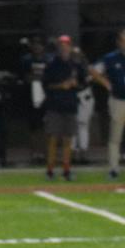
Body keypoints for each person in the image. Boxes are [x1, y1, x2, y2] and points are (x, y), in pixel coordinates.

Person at [42, 35, 85, 181]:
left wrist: (74, 85)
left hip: (70, 105)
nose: (64, 47)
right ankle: (50, 170)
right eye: (62, 44)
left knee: (68, 140)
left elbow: (82, 83)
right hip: (55, 105)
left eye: (66, 44)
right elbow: (46, 85)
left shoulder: (76, 65)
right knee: (53, 139)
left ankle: (66, 170)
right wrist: (61, 85)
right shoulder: (52, 65)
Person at [89, 28, 125, 180]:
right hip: (118, 100)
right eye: (123, 40)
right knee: (115, 137)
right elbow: (93, 70)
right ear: (118, 42)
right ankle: (113, 169)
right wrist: (106, 83)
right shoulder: (111, 58)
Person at [21, 37, 48, 164]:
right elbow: (25, 77)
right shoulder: (27, 60)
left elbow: (49, 77)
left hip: (45, 95)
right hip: (31, 96)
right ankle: (34, 154)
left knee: (45, 126)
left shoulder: (48, 59)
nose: (37, 48)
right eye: (35, 45)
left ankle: (44, 153)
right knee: (33, 127)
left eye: (40, 45)